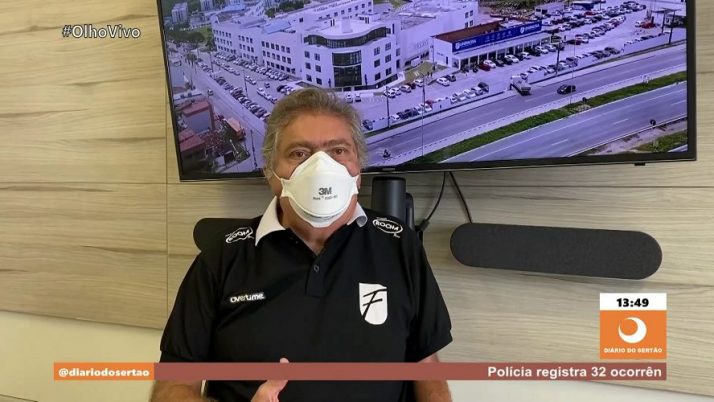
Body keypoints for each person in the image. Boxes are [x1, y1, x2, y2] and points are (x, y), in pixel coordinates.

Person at [151, 88, 452, 402]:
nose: (322, 168)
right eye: (299, 153)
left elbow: (427, 368)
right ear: (271, 174)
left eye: (338, 150)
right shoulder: (221, 258)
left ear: (358, 170)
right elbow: (172, 388)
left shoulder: (399, 245)